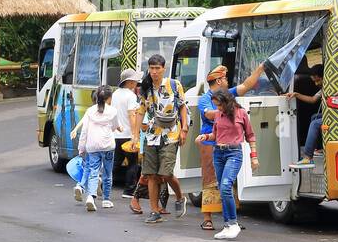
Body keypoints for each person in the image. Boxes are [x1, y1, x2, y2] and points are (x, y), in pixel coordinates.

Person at [195, 63, 265, 230]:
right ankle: (208, 218)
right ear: (218, 81)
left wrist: (260, 69)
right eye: (225, 78)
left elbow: (247, 85)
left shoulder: (227, 95)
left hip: (230, 145)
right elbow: (209, 114)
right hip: (210, 143)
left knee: (228, 183)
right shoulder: (206, 99)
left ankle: (230, 219)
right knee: (210, 180)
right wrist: (225, 110)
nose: (227, 80)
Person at [138, 54, 188, 224]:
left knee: (165, 174)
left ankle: (180, 198)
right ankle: (154, 210)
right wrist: (135, 135)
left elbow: (182, 107)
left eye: (157, 68)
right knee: (151, 174)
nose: (154, 72)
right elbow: (141, 111)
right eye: (151, 68)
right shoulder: (145, 87)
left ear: (163, 69)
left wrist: (184, 130)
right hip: (151, 135)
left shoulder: (174, 85)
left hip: (171, 134)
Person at [209, 89, 257, 240]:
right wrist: (204, 136)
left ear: (227, 102)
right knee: (222, 190)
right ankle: (227, 225)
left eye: (220, 105)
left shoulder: (241, 113)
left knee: (225, 186)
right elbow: (215, 135)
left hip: (234, 153)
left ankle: (233, 223)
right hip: (218, 152)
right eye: (216, 106)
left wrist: (254, 157)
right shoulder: (217, 115)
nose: (219, 108)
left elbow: (250, 135)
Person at [71, 84, 119, 211]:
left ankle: (91, 197)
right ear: (109, 98)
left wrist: (81, 148)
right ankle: (106, 200)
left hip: (92, 146)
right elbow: (115, 127)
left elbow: (85, 131)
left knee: (93, 172)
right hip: (108, 145)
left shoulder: (90, 111)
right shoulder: (113, 111)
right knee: (107, 174)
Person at [110, 69, 143, 201]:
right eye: (135, 81)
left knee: (115, 163)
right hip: (128, 134)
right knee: (132, 163)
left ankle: (103, 180)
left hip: (115, 134)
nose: (136, 83)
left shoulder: (115, 94)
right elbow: (132, 115)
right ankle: (129, 190)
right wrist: (135, 135)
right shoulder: (131, 96)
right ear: (129, 82)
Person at [286, 64, 325, 164]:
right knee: (314, 117)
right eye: (314, 81)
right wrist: (296, 94)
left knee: (315, 124)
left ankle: (308, 157)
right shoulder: (323, 89)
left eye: (318, 80)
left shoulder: (331, 87)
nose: (316, 84)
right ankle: (320, 148)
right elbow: (312, 100)